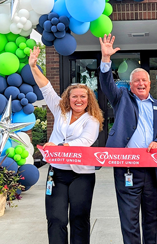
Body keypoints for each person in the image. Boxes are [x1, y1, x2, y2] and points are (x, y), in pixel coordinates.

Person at [99, 34, 157, 244]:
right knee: (129, 220)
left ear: (150, 84)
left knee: (152, 218)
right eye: (136, 80)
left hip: (152, 168)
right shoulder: (121, 99)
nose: (141, 83)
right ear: (130, 85)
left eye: (144, 80)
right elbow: (106, 84)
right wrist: (105, 59)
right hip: (127, 167)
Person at [29, 47, 104, 244]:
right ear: (68, 99)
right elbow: (46, 87)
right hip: (57, 173)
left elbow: (85, 141)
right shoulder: (60, 111)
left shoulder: (92, 119)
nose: (78, 100)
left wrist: (58, 145)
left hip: (82, 175)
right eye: (74, 96)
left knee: (79, 220)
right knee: (56, 219)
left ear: (88, 100)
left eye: (83, 96)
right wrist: (33, 66)